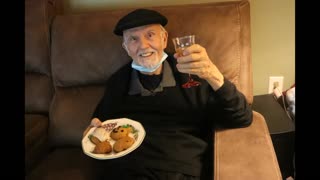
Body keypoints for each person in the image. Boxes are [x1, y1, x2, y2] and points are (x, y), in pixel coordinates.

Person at [83, 8, 253, 180]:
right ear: (126, 48)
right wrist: (93, 131)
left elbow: (241, 117)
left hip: (179, 169)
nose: (143, 45)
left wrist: (212, 74)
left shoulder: (193, 73)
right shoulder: (118, 81)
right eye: (133, 39)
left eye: (150, 35)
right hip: (126, 170)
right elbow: (99, 127)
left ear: (164, 39)